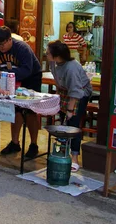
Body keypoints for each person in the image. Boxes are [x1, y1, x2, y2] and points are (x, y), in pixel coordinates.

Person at [0, 26, 42, 158]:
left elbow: (26, 70)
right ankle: (15, 142)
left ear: (9, 40)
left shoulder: (22, 48)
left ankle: (34, 144)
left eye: (2, 45)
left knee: (30, 111)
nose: (0, 48)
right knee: (15, 110)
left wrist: (4, 73)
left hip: (30, 79)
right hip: (9, 79)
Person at [46, 40, 92, 172]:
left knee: (73, 124)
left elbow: (76, 91)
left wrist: (70, 109)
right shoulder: (53, 62)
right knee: (63, 122)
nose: (46, 54)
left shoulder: (71, 67)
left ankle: (75, 158)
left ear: (57, 55)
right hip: (64, 91)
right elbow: (57, 78)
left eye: (48, 53)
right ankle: (63, 151)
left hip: (79, 92)